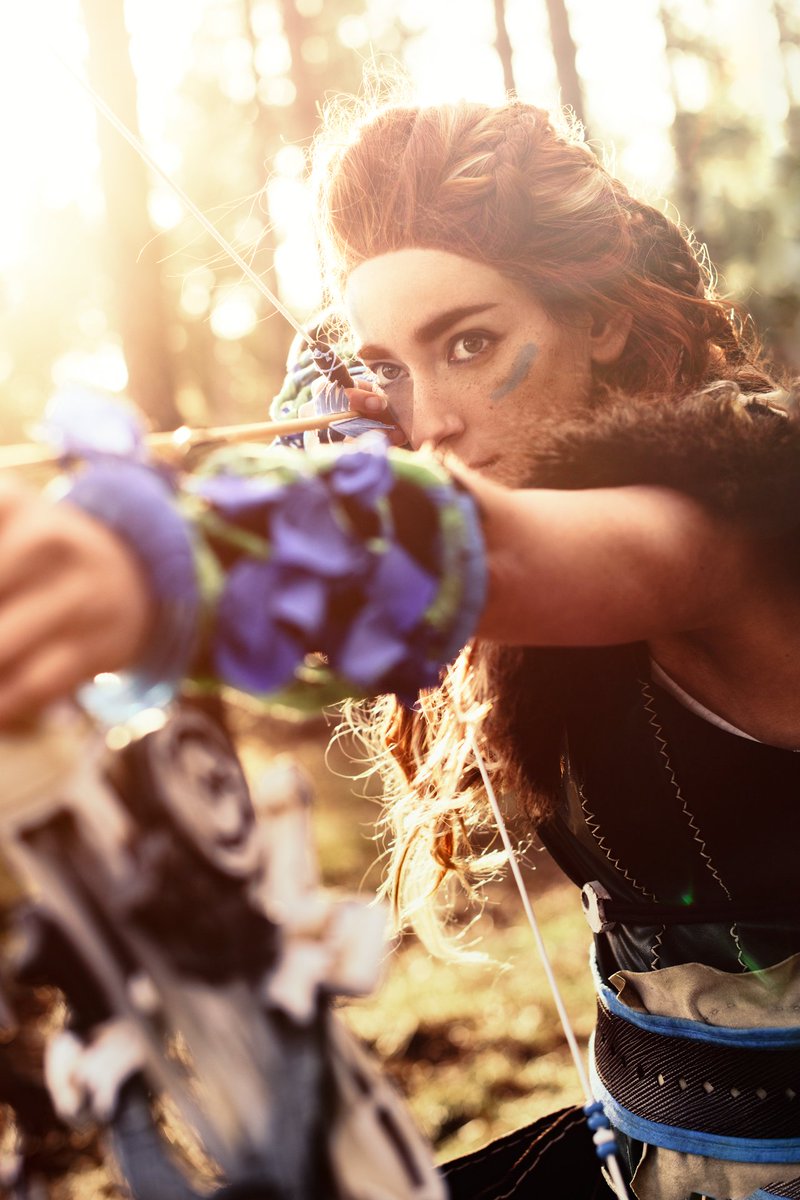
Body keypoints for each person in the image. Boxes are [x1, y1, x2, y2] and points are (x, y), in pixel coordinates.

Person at [1, 96, 799, 1200]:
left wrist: (170, 557)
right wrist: (317, 487)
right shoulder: (534, 521)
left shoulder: (735, 517)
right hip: (644, 1156)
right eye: (390, 369)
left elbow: (501, 552)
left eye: (470, 344)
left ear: (601, 321)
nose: (430, 422)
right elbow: (390, 603)